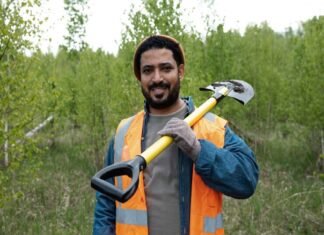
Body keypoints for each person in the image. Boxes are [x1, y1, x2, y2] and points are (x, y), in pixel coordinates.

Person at [93, 35, 259, 235]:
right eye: (148, 70)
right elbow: (105, 207)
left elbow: (246, 181)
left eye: (166, 68)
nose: (157, 78)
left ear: (180, 71)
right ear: (139, 77)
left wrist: (198, 150)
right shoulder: (123, 133)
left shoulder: (212, 128)